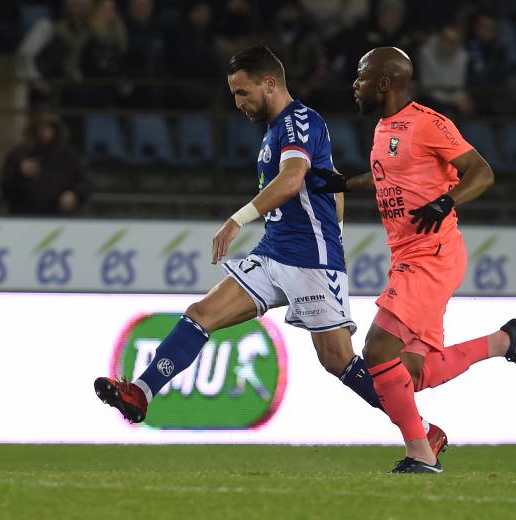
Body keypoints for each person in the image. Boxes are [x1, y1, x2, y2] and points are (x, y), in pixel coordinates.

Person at [94, 46, 447, 457]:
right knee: (201, 314)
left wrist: (239, 220)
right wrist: (337, 231)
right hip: (273, 252)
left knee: (338, 360)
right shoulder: (275, 130)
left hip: (311, 261)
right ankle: (141, 392)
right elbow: (329, 180)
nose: (237, 103)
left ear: (268, 83)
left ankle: (423, 430)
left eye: (242, 92)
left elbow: (294, 179)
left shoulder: (300, 120)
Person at [313, 47, 516, 473]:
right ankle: (504, 341)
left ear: (385, 83)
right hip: (409, 255)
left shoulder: (428, 123)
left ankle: (421, 452)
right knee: (410, 372)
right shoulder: (384, 128)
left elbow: (482, 172)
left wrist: (446, 201)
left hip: (432, 254)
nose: (355, 84)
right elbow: (389, 178)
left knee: (377, 349)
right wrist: (345, 183)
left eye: (362, 76)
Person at [2, 112, 86, 215]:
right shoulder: (19, 155)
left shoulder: (69, 156)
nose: (45, 132)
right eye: (40, 128)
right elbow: (6, 187)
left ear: (56, 130)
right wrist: (20, 173)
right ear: (33, 130)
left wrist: (74, 194)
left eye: (49, 128)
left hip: (59, 215)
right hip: (25, 215)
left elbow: (83, 183)